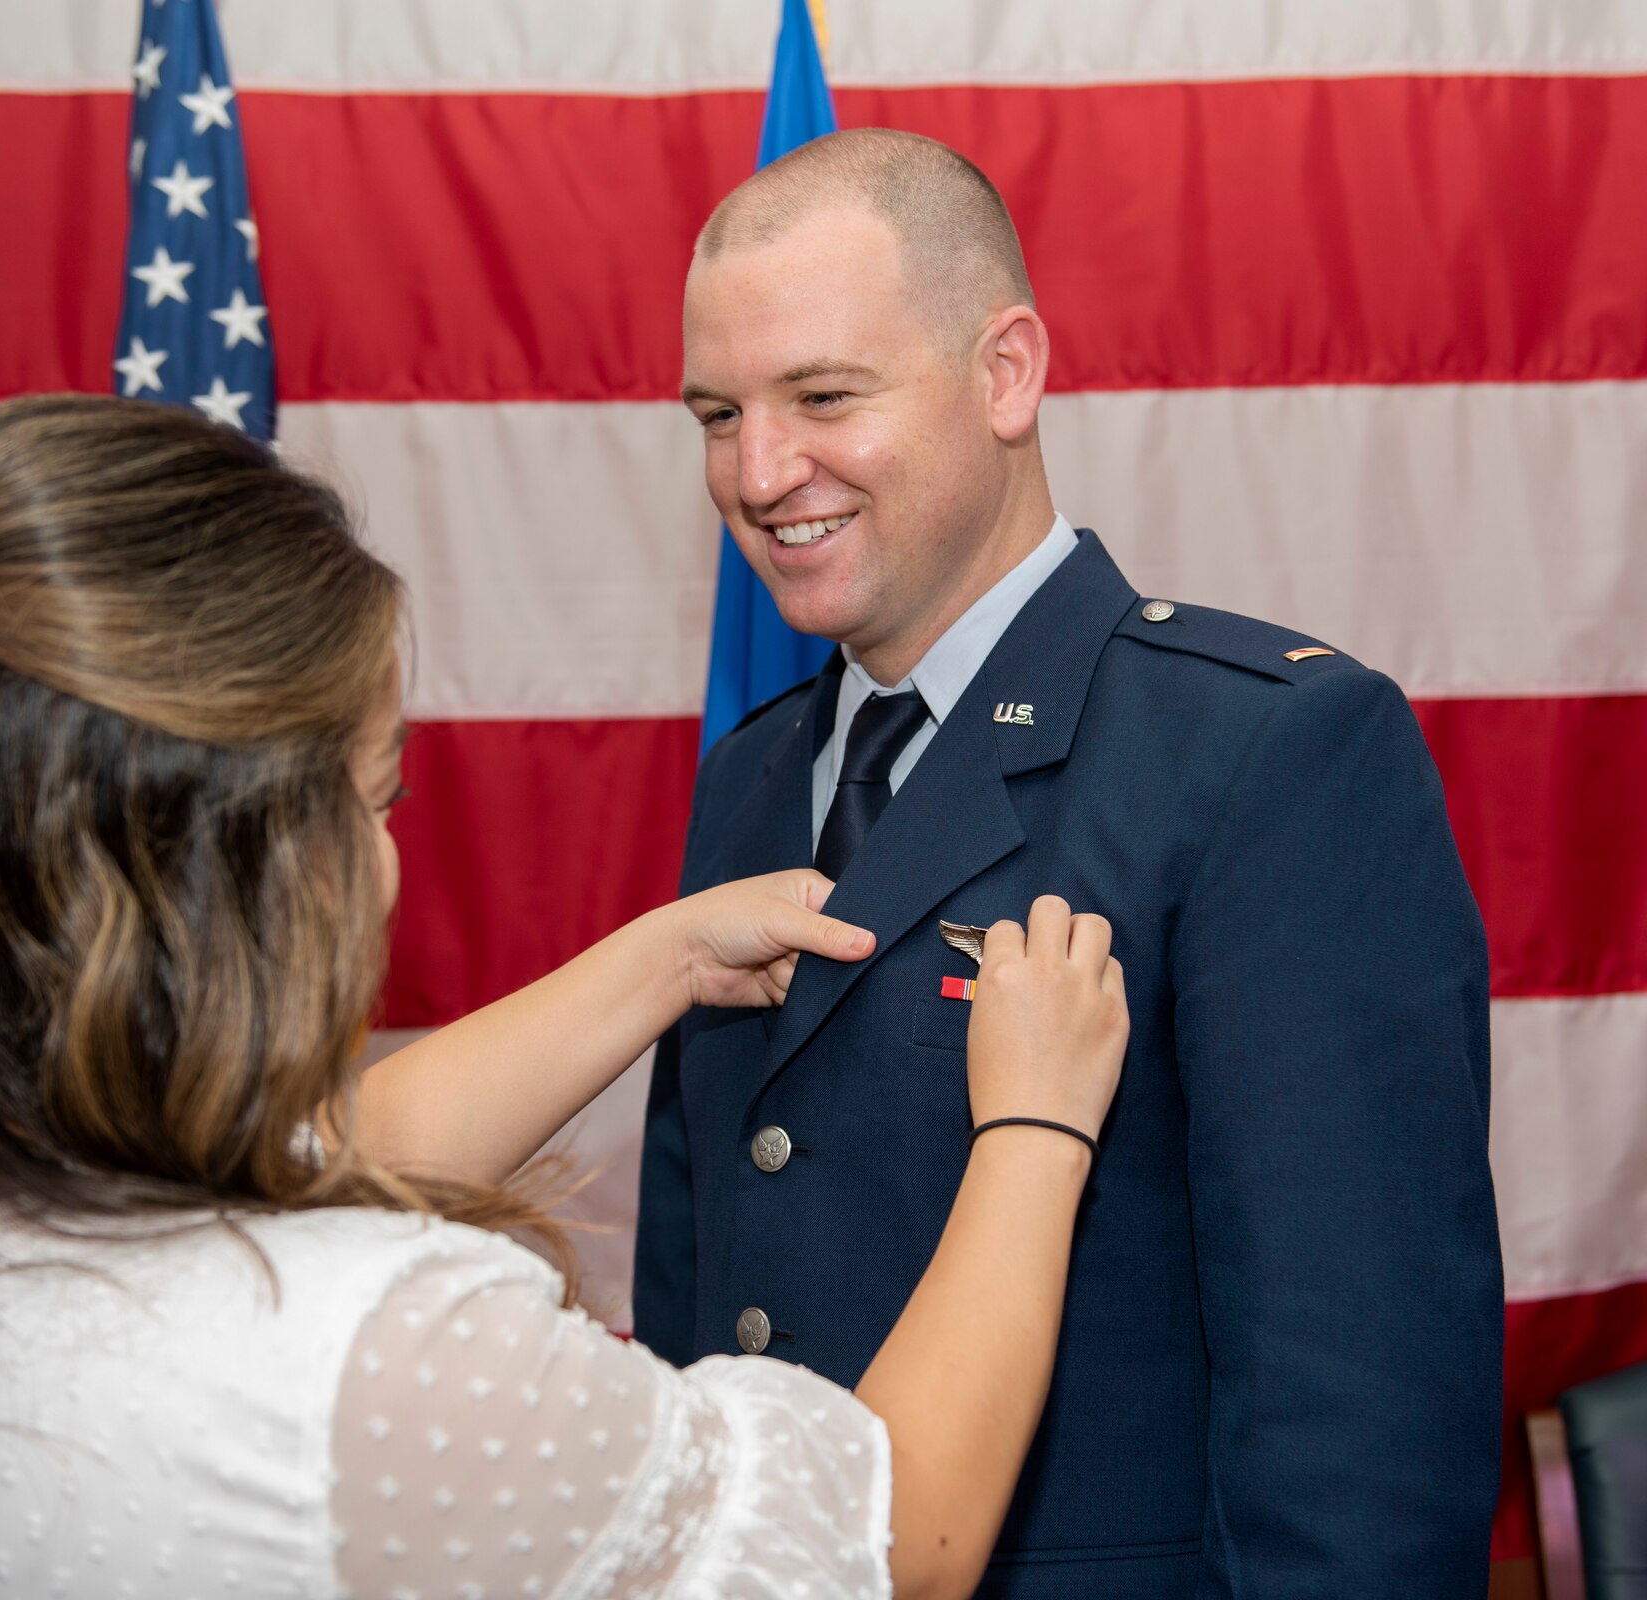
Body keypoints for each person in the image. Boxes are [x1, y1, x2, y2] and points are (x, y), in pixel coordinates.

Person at [0, 393, 1128, 1600]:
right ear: (234, 862)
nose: (390, 859)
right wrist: (1038, 1129)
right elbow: (895, 1541)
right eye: (376, 800)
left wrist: (660, 960)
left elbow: (305, 1174)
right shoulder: (383, 1358)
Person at [635, 129, 1503, 1597]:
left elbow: (1359, 1410)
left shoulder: (1263, 754)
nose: (761, 471)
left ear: (1007, 374)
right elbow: (706, 1291)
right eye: (718, 413)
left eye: (825, 396)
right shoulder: (754, 774)